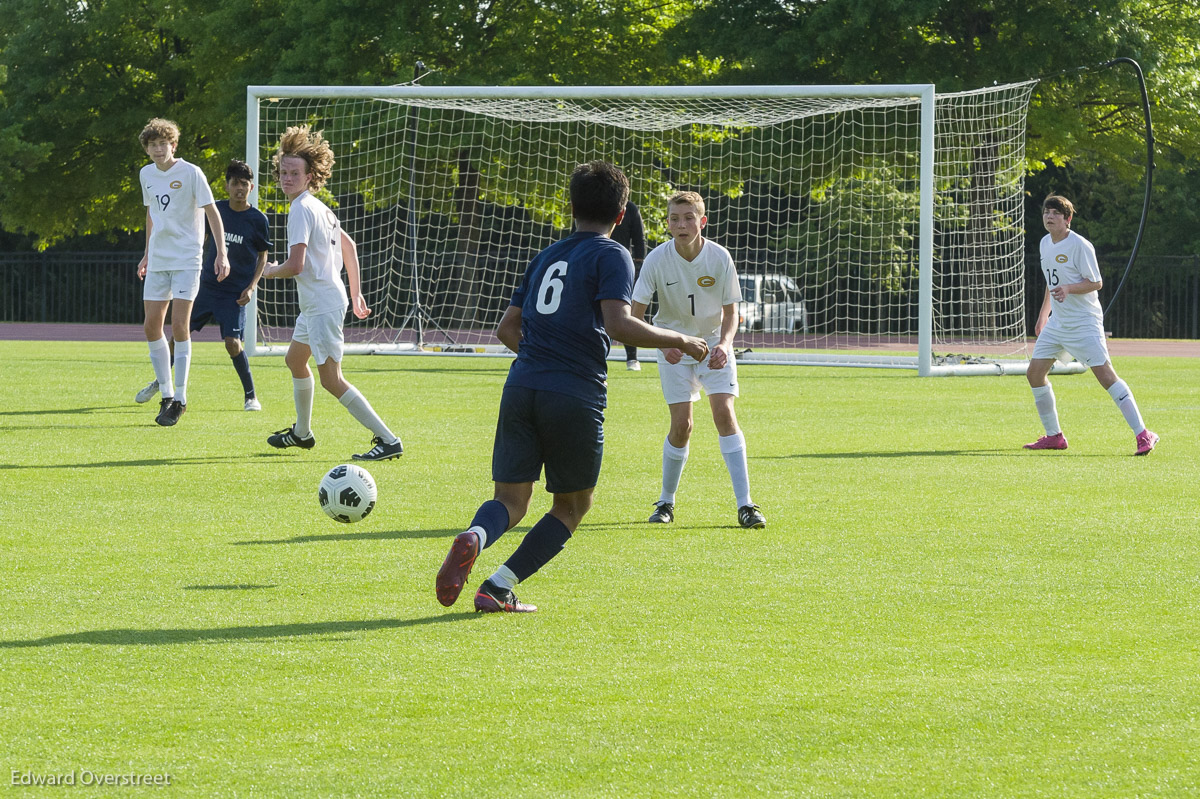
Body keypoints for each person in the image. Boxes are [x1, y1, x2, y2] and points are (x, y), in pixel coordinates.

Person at [435, 161, 709, 614]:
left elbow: (507, 328)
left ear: (572, 208)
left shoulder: (545, 256)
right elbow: (619, 325)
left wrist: (542, 357)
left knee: (509, 500)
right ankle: (499, 585)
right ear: (621, 215)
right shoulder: (613, 254)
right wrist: (681, 338)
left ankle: (476, 536)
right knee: (572, 506)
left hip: (521, 385)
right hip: (574, 392)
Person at [261, 125, 403, 462]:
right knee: (295, 360)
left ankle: (388, 440)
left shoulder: (300, 210)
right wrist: (355, 293)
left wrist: (269, 270)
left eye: (294, 173)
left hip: (322, 304)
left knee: (332, 380)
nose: (287, 178)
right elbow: (349, 247)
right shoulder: (320, 207)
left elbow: (295, 265)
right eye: (283, 172)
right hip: (322, 302)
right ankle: (302, 433)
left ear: (310, 176)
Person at [630, 191, 766, 529]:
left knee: (724, 413)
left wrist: (726, 343)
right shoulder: (656, 260)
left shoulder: (720, 257)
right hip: (673, 348)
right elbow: (635, 315)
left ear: (702, 221)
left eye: (689, 217)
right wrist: (663, 345)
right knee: (682, 426)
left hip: (713, 347)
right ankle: (665, 502)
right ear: (668, 224)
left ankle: (746, 505)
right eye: (675, 218)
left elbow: (732, 312)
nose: (682, 224)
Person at [1024, 194, 1158, 455]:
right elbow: (1051, 284)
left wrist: (1069, 288)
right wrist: (1043, 316)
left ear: (1068, 219)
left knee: (1106, 377)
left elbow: (1096, 282)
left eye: (1055, 213)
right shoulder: (1044, 243)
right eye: (1046, 212)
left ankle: (1144, 434)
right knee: (1034, 374)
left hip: (1084, 324)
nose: (1049, 217)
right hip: (1058, 324)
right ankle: (1055, 436)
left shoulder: (1080, 245)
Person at [135, 160, 270, 411]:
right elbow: (200, 236)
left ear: (251, 187)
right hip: (205, 286)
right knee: (177, 334)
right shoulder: (215, 210)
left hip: (233, 292)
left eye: (244, 184)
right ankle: (161, 383)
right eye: (234, 183)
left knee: (232, 342)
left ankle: (250, 395)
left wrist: (251, 287)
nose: (239, 188)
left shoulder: (257, 219)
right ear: (227, 186)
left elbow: (262, 256)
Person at [136, 117, 228, 427]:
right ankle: (166, 394)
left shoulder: (191, 173)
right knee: (151, 326)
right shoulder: (146, 174)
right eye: (153, 145)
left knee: (179, 325)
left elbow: (212, 212)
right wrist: (147, 253)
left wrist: (222, 253)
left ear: (174, 145)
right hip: (159, 259)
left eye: (163, 144)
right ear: (147, 150)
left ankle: (181, 398)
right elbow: (152, 215)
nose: (158, 149)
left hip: (188, 258)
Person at [611, 200, 647, 370]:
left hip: (622, 265)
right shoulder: (594, 204)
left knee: (626, 312)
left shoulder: (630, 208)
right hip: (594, 261)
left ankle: (632, 358)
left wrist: (639, 265)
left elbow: (639, 237)